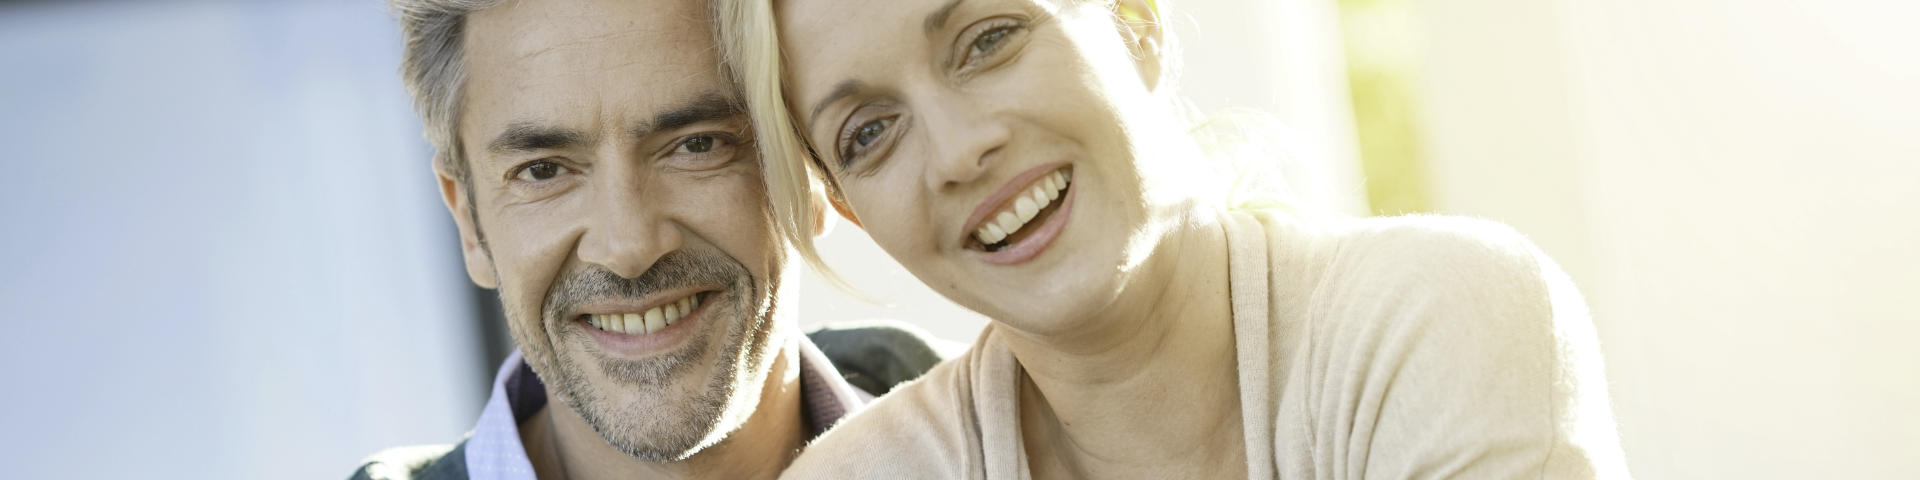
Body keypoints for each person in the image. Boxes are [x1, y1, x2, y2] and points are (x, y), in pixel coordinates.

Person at [714, 0, 1632, 477]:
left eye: (989, 39)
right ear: (851, 208)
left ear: (1136, 23)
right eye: (869, 131)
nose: (958, 151)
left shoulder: (1437, 320)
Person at [350, 0, 945, 478]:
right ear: (470, 224)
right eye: (543, 170)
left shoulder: (1017, 445)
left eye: (698, 144)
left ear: (812, 175)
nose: (629, 246)